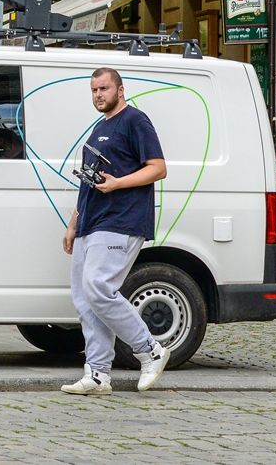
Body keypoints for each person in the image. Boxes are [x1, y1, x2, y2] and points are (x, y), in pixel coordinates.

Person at [60, 67, 170, 396]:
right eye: (94, 90)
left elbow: (158, 168)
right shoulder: (99, 128)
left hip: (121, 220)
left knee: (98, 287)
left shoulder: (135, 120)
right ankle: (97, 374)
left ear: (120, 90)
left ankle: (150, 350)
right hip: (91, 222)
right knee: (85, 299)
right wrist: (73, 223)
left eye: (104, 88)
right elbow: (89, 183)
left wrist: (118, 183)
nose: (98, 95)